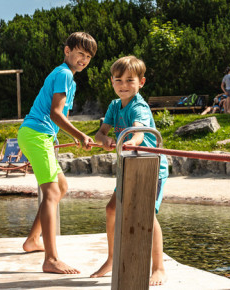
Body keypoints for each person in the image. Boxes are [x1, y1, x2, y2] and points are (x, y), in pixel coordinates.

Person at [19, 31, 97, 275]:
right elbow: (55, 113)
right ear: (67, 51)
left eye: (88, 56)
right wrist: (80, 135)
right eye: (80, 53)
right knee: (51, 191)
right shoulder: (64, 73)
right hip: (36, 134)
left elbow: (61, 116)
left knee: (60, 188)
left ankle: (33, 240)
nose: (83, 59)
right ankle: (51, 259)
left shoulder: (69, 79)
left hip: (39, 135)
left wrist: (72, 135)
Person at [91, 56, 169, 286]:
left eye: (129, 80)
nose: (123, 85)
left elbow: (138, 132)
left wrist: (130, 140)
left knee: (148, 215)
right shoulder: (115, 106)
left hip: (149, 167)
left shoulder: (139, 106)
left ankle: (158, 267)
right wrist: (104, 138)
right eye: (118, 80)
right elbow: (100, 132)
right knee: (112, 209)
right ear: (112, 82)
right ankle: (112, 258)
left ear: (141, 82)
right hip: (128, 167)